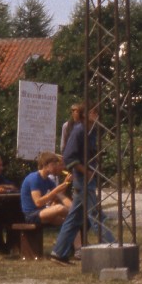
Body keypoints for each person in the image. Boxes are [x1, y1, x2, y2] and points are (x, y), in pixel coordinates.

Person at [52, 105, 114, 264]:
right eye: (93, 112)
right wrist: (85, 171)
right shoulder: (79, 131)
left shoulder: (91, 131)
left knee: (74, 218)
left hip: (89, 178)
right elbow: (68, 156)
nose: (97, 115)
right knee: (96, 215)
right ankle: (112, 248)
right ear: (85, 114)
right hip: (83, 180)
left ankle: (59, 252)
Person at [20, 152, 72, 226]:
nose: (56, 167)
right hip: (31, 215)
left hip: (42, 212)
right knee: (60, 208)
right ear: (46, 165)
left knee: (71, 224)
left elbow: (62, 197)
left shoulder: (48, 181)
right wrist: (56, 190)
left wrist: (73, 208)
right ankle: (75, 217)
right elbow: (38, 203)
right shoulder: (34, 178)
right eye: (54, 164)